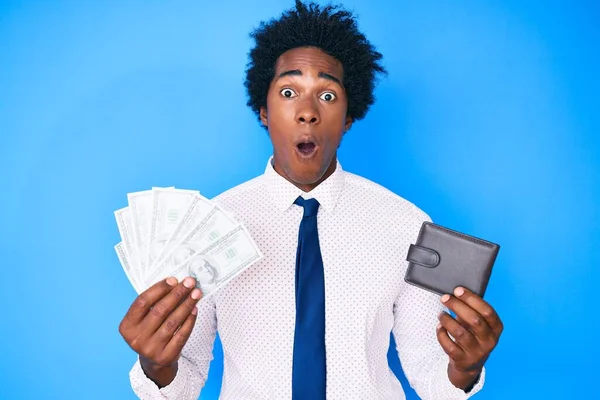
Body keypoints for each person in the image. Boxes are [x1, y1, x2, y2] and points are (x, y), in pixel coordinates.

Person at [118, 1, 504, 399]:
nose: (307, 112)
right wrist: (156, 366)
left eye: (328, 96)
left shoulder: (406, 223)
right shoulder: (209, 227)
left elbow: (430, 370)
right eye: (289, 92)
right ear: (264, 110)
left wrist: (465, 367)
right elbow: (186, 378)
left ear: (348, 117)